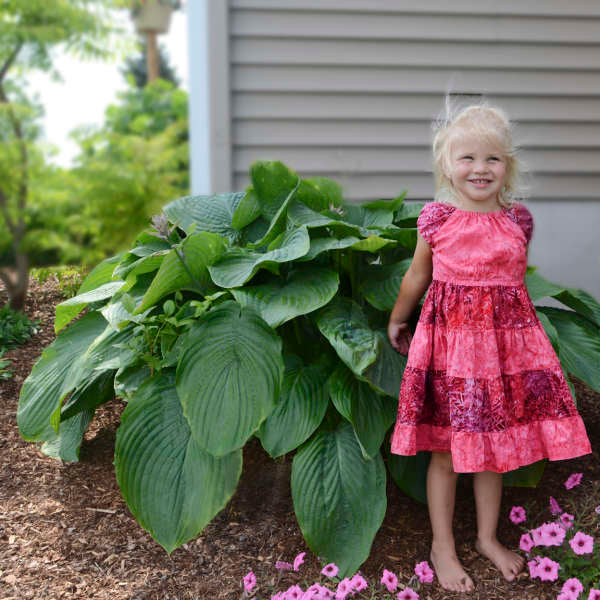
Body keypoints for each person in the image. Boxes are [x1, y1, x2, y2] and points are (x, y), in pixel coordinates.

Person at [387, 102, 592, 593]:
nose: (480, 169)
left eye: (493, 159)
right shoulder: (436, 219)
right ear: (445, 166)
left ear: (509, 166)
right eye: (468, 158)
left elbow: (510, 289)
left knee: (493, 451)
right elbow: (419, 275)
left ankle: (485, 537)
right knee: (445, 453)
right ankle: (443, 545)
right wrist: (398, 317)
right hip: (451, 354)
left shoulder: (518, 220)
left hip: (499, 357)